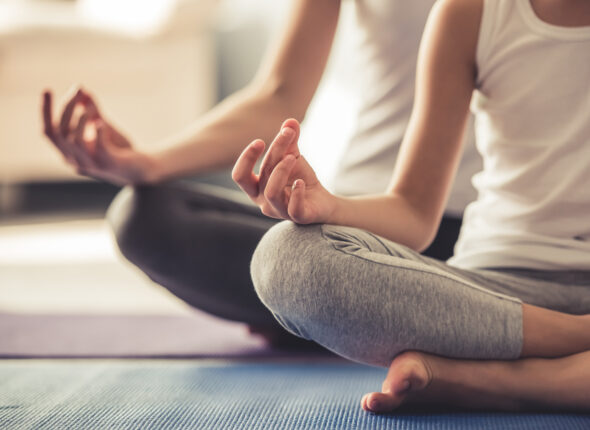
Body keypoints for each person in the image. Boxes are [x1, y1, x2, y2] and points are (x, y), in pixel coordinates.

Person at [41, 1, 481, 343]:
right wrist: (147, 163)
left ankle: (323, 321)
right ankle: (336, 320)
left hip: (466, 235)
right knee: (144, 216)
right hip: (346, 220)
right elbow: (280, 93)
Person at [233, 0, 590, 413]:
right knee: (286, 258)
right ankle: (574, 342)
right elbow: (413, 213)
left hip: (508, 320)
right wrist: (328, 206)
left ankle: (492, 380)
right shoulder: (469, 14)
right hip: (493, 292)